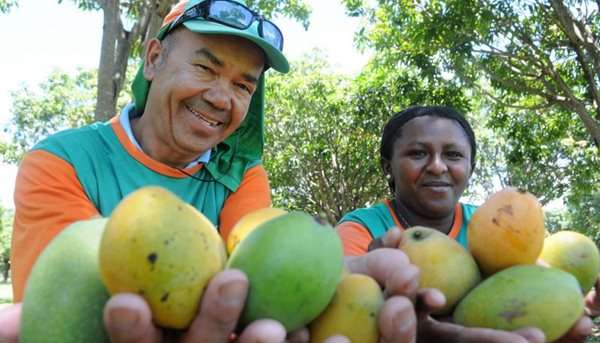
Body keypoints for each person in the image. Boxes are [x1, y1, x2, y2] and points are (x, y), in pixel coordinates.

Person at [2, 1, 427, 342]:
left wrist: (322, 277)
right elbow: (67, 306)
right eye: (205, 68)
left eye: (243, 86)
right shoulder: (64, 160)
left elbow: (250, 276)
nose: (222, 99)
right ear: (153, 60)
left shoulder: (239, 173)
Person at [336, 105, 600, 342]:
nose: (437, 166)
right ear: (388, 167)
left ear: (470, 168)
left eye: (453, 155)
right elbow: (346, 313)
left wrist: (575, 302)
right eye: (418, 153)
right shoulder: (361, 229)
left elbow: (535, 281)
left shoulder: (495, 223)